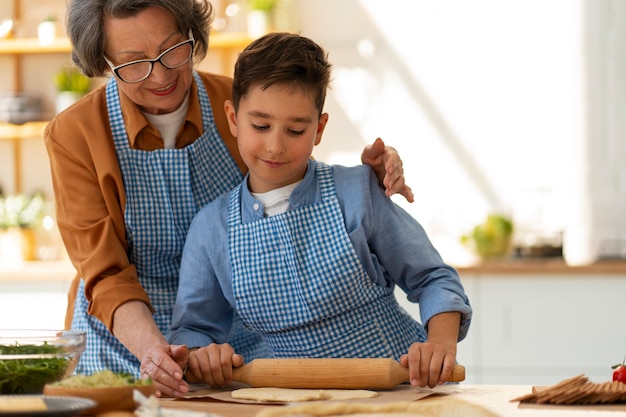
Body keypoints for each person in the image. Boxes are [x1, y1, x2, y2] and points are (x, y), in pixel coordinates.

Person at [44, 0, 412, 399]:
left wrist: (365, 179)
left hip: (228, 350)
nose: (161, 74)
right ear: (104, 60)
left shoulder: (236, 103)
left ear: (192, 33)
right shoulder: (75, 133)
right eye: (134, 63)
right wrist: (155, 352)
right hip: (123, 347)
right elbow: (106, 273)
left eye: (173, 49)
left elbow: (289, 179)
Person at [167, 32, 473, 391]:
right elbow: (194, 330)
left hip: (401, 391)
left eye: (296, 129)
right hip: (288, 401)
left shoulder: (356, 193)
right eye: (260, 126)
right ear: (233, 119)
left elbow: (434, 278)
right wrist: (203, 354)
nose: (275, 145)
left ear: (319, 129)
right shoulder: (210, 228)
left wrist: (438, 345)